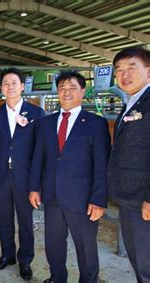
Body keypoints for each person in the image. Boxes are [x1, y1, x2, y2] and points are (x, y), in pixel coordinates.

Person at [29, 71, 110, 283]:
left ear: (82, 91)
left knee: (86, 247)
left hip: (83, 200)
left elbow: (102, 165)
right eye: (62, 88)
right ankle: (57, 277)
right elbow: (38, 157)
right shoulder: (45, 123)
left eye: (72, 88)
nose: (66, 92)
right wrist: (34, 188)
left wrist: (98, 199)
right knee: (54, 243)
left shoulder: (96, 123)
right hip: (52, 196)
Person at [0, 68, 45, 281]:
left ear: (22, 86)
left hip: (25, 176)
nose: (9, 87)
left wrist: (37, 180)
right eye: (5, 84)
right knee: (3, 218)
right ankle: (7, 255)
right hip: (1, 174)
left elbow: (40, 148)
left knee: (25, 220)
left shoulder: (36, 113)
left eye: (14, 83)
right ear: (1, 88)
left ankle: (25, 260)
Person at [108, 46, 150, 283]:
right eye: (119, 70)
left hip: (143, 201)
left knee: (146, 264)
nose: (124, 75)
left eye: (131, 68)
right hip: (129, 198)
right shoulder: (132, 103)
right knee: (137, 260)